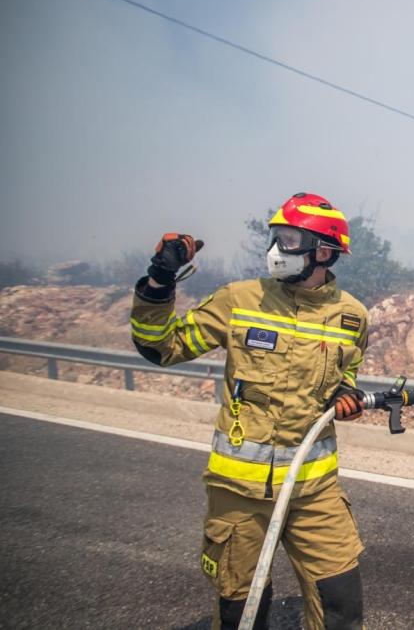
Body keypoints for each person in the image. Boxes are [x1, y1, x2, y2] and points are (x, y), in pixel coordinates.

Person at [130, 192, 368, 630]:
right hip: (239, 494)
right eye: (275, 236)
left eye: (290, 239)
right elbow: (161, 346)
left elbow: (347, 369)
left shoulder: (352, 317)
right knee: (244, 612)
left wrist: (346, 393)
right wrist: (160, 279)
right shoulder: (239, 300)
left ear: (323, 252)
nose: (276, 248)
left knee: (341, 606)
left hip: (314, 493)